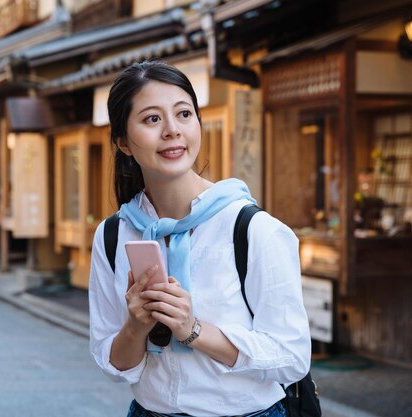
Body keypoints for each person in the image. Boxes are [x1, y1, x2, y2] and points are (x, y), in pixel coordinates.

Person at [88, 61, 311, 417]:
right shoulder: (114, 234)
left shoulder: (253, 229)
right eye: (152, 119)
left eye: (184, 114)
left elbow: (292, 358)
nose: (172, 131)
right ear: (123, 143)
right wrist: (136, 326)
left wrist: (193, 330)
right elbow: (113, 364)